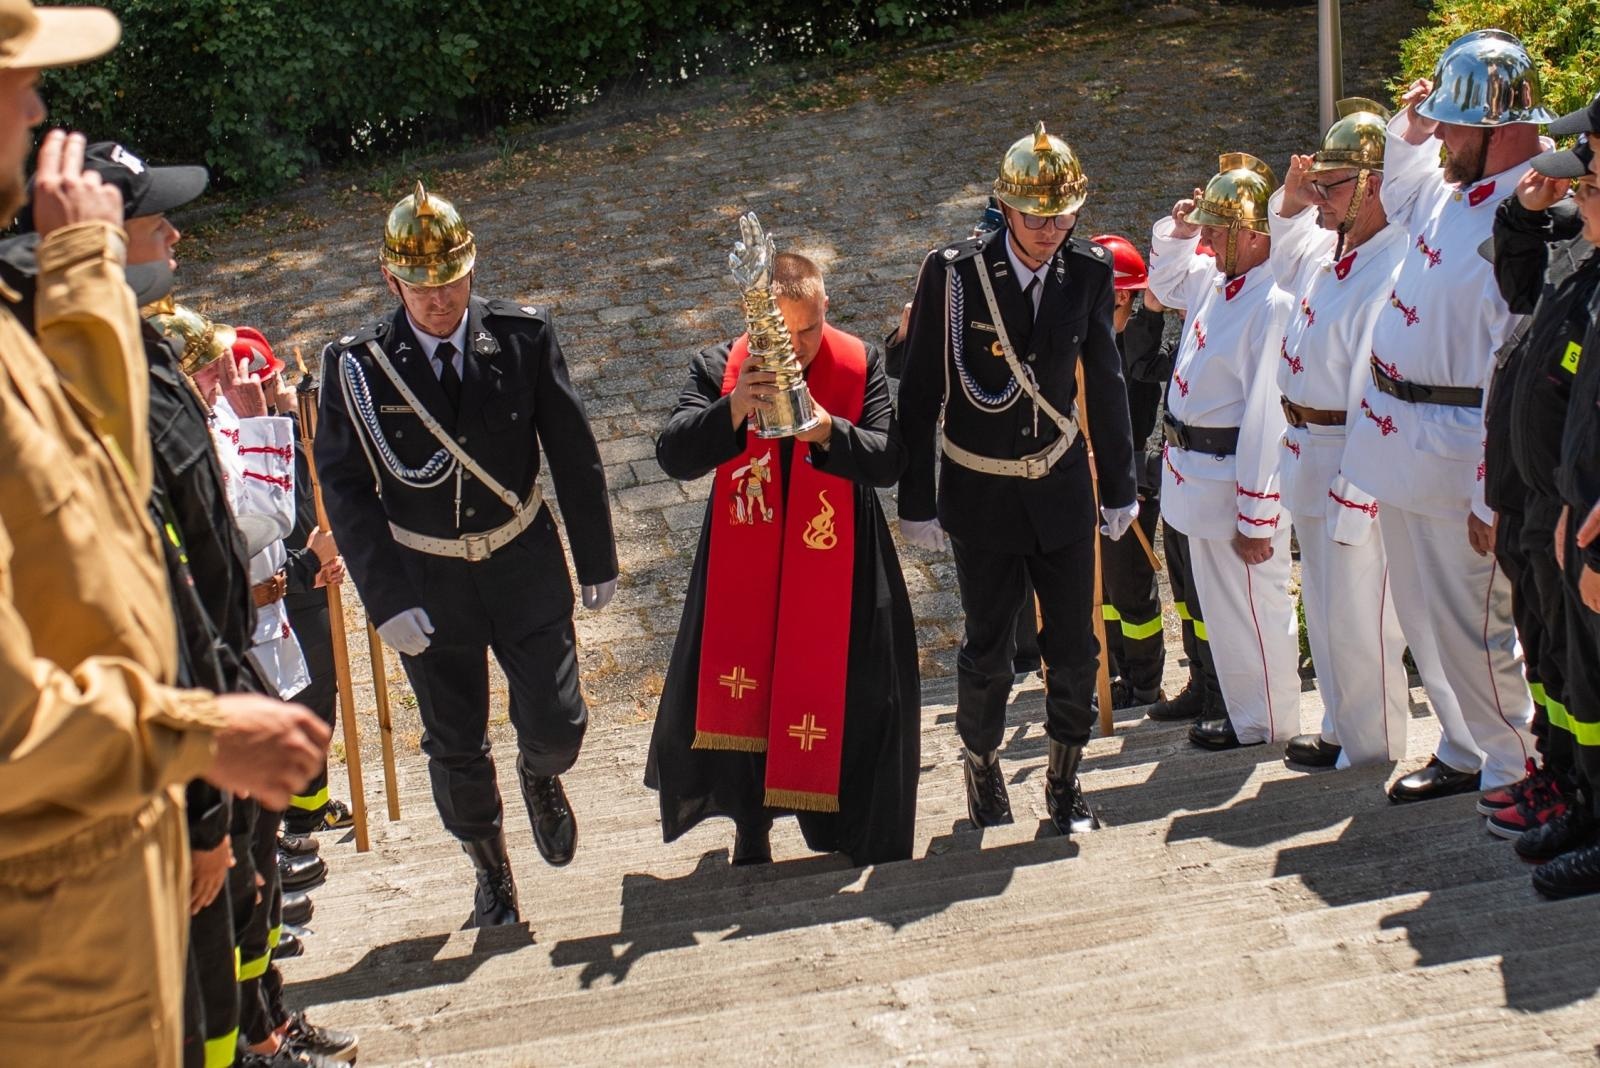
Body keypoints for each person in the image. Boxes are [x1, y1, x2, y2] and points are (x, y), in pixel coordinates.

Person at [0, 7, 329, 1064]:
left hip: (104, 881)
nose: (40, 109)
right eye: (17, 84)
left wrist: (86, 281)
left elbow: (110, 518)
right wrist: (195, 744)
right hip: (49, 930)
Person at [315, 182, 618, 927]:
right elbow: (347, 489)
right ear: (391, 282)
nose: (437, 299)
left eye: (449, 281)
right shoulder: (358, 367)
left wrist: (598, 558)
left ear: (472, 272)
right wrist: (383, 600)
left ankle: (540, 776)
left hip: (522, 560)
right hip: (428, 578)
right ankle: (490, 866)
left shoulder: (522, 338)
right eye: (419, 286)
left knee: (558, 720)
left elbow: (572, 452)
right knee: (455, 742)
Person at [897, 122, 1138, 835]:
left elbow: (1107, 381)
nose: (1051, 229)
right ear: (1005, 209)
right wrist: (916, 500)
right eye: (1038, 216)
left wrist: (1120, 483)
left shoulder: (1089, 272)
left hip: (1060, 490)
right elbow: (919, 392)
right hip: (982, 490)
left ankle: (1065, 783)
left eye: (1064, 215)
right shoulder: (955, 273)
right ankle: (981, 761)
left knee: (1075, 650)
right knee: (987, 650)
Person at [648, 246, 919, 866]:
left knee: (861, 693)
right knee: (752, 685)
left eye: (809, 329)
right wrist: (736, 407)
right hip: (748, 568)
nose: (795, 348)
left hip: (843, 560)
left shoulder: (860, 364)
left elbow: (889, 458)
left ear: (827, 305)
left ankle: (852, 827)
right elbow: (673, 455)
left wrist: (828, 431)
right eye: (782, 332)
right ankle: (751, 825)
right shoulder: (721, 366)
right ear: (754, 321)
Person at [1340, 31, 1545, 804]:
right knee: (1427, 618)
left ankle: (1514, 763)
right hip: (1402, 440)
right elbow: (1400, 183)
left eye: (1457, 124)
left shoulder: (1529, 213)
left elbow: (1511, 364)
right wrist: (1414, 125)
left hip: (1463, 451)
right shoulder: (1456, 188)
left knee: (1475, 628)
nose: (1444, 137)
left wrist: (1492, 492)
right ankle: (1464, 745)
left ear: (1501, 132)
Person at [1267, 101, 1412, 769]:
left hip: (1349, 458)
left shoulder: (1390, 266)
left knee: (1362, 624)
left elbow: (1375, 394)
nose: (1318, 198)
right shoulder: (1338, 248)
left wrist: (1358, 496)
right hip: (1309, 453)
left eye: (1331, 186)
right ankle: (1341, 726)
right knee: (1325, 616)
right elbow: (1288, 261)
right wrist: (1295, 199)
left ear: (1375, 184)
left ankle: (1373, 748)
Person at [1147, 153, 1301, 752]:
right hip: (1197, 475)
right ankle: (1246, 716)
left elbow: (1267, 417)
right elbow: (1164, 285)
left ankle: (1269, 722)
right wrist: (1181, 232)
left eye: (1217, 227)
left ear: (1254, 233)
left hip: (1234, 475)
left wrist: (1257, 515)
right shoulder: (1216, 278)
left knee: (1254, 611)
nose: (1206, 237)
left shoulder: (1272, 303)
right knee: (1222, 610)